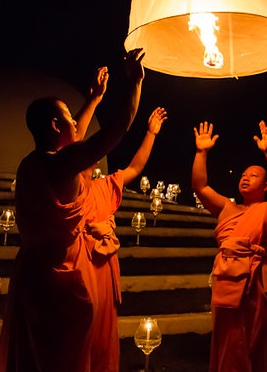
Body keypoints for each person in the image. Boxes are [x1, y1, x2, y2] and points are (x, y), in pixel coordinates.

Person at [0, 48, 145, 372]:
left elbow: (73, 139)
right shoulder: (59, 165)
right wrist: (135, 85)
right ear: (53, 123)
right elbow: (115, 132)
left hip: (32, 273)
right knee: (63, 357)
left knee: (36, 354)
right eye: (68, 118)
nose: (75, 123)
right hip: (61, 278)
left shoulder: (31, 163)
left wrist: (93, 100)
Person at [192, 120, 267, 372]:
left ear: (266, 185)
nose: (245, 178)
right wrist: (201, 152)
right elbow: (200, 186)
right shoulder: (228, 208)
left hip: (257, 281)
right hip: (227, 280)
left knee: (256, 339)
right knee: (229, 340)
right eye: (243, 175)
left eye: (253, 175)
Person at [81, 106, 167, 372]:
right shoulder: (67, 189)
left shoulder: (104, 186)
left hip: (104, 266)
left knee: (103, 325)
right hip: (79, 263)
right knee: (80, 325)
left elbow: (135, 167)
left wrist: (151, 133)